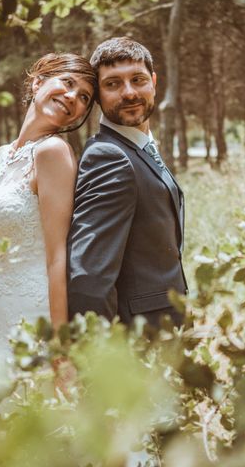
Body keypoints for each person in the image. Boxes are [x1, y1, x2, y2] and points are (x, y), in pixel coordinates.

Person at [0, 52, 96, 354]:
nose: (72, 97)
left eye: (84, 97)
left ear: (79, 115)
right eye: (67, 82)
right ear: (37, 82)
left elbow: (58, 257)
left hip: (34, 313)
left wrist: (60, 347)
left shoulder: (53, 153)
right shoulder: (1, 156)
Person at [67, 37, 187, 328]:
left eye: (138, 79)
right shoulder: (109, 156)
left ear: (154, 82)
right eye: (113, 84)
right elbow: (88, 277)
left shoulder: (139, 147)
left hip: (163, 330)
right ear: (97, 95)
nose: (129, 92)